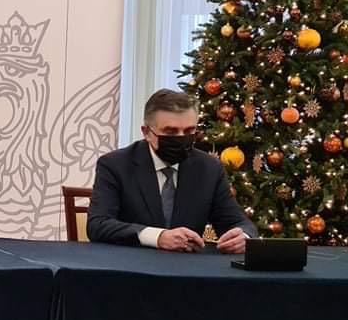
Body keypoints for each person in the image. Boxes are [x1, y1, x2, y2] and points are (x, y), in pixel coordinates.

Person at [87, 88, 256, 254]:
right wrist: (158, 237)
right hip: (130, 263)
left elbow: (238, 223)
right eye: (171, 131)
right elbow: (98, 224)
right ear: (147, 132)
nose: (181, 138)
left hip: (187, 266)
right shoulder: (115, 165)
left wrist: (243, 237)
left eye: (189, 131)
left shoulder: (208, 168)